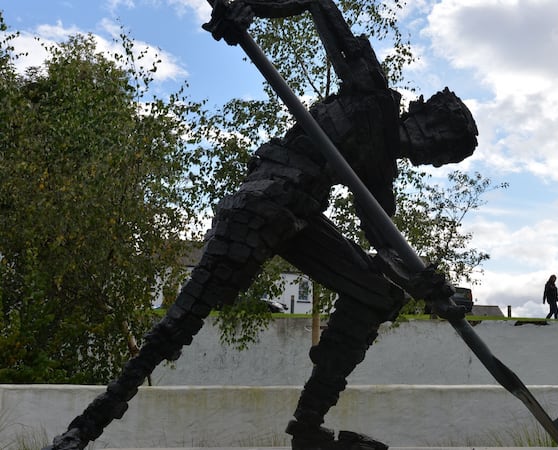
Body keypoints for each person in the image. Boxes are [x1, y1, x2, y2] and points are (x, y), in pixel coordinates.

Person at [43, 1, 478, 450]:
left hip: (302, 215)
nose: (434, 159)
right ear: (430, 124)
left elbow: (386, 243)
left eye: (444, 158)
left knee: (378, 294)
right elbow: (319, 3)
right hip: (267, 197)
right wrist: (252, 8)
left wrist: (430, 288)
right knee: (184, 318)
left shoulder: (380, 170)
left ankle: (308, 428)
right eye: (443, 148)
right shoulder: (371, 95)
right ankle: (83, 430)